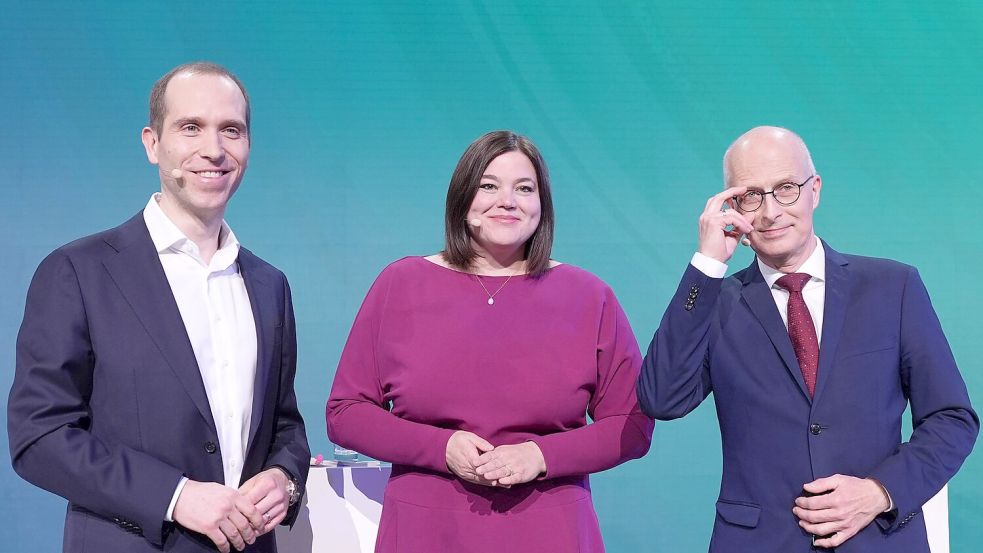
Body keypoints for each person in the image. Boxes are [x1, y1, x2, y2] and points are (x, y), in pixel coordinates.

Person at [7, 62, 310, 553]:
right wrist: (175, 496)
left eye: (230, 130)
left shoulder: (269, 285)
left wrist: (283, 478)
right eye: (191, 127)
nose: (213, 150)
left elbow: (285, 427)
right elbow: (39, 436)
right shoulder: (78, 272)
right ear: (152, 143)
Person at [637, 125, 978, 552]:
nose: (770, 212)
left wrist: (879, 491)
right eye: (750, 196)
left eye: (785, 189)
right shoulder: (715, 302)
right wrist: (706, 264)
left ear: (814, 190)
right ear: (731, 206)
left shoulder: (893, 287)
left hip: (878, 538)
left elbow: (952, 419)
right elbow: (661, 399)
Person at [327, 130, 653, 552]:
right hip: (426, 531)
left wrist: (540, 457)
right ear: (463, 199)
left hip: (550, 533)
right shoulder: (401, 284)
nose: (508, 201)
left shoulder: (589, 295)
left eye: (524, 188)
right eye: (488, 186)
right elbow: (346, 412)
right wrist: (441, 447)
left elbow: (631, 425)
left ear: (542, 205)